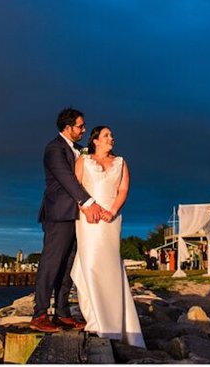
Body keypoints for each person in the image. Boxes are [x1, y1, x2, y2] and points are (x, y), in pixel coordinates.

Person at [29, 107, 108, 334]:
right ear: (67, 127)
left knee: (68, 266)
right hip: (58, 214)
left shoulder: (79, 150)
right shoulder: (54, 149)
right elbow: (66, 179)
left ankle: (62, 313)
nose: (84, 130)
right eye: (80, 126)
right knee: (51, 263)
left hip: (76, 216)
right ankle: (40, 313)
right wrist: (89, 202)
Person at [71, 125, 145, 347]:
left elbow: (123, 190)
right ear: (95, 140)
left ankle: (114, 322)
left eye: (112, 135)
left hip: (111, 220)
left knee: (111, 266)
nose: (112, 138)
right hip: (88, 218)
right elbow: (75, 187)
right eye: (107, 135)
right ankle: (96, 320)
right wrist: (86, 208)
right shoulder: (83, 160)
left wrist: (112, 211)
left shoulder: (121, 162)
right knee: (90, 265)